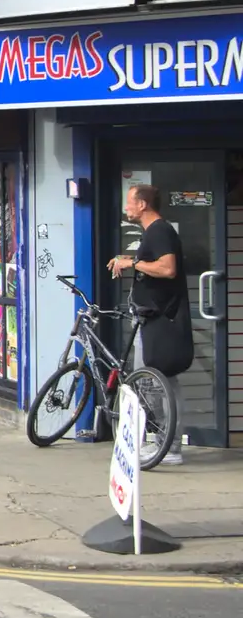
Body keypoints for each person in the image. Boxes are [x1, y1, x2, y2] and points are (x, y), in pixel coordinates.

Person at [107, 183, 193, 466]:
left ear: (143, 204)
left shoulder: (160, 231)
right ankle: (165, 444)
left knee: (157, 383)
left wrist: (133, 263)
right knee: (158, 381)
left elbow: (168, 269)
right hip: (151, 318)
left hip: (160, 320)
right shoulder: (154, 232)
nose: (126, 208)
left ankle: (168, 447)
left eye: (129, 202)